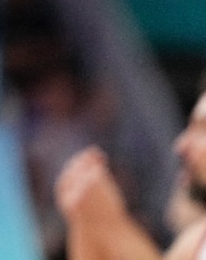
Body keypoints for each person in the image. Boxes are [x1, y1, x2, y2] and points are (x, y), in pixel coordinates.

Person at [55, 90, 206, 260]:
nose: (182, 144)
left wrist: (110, 224)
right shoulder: (195, 241)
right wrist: (85, 219)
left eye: (203, 130)